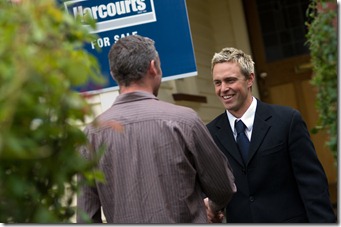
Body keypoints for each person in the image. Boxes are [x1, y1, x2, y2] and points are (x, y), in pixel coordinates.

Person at [76, 35, 236, 223]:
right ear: (153, 67)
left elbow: (86, 215)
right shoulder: (184, 121)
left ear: (113, 74)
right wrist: (212, 207)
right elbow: (222, 187)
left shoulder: (92, 135)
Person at [206, 47, 337, 223]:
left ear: (250, 79)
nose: (223, 89)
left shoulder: (287, 121)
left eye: (230, 80)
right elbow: (213, 186)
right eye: (218, 82)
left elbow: (313, 186)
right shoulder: (210, 133)